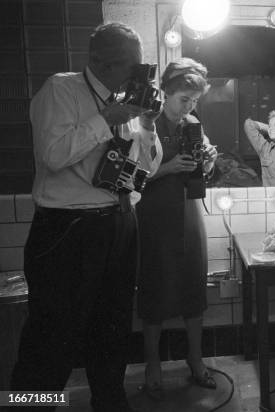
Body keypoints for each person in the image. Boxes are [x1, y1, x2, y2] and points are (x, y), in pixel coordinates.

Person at [11, 23, 162, 412]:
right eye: (131, 64)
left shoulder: (129, 98)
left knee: (112, 328)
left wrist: (145, 126)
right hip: (68, 228)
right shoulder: (61, 90)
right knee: (50, 336)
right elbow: (53, 155)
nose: (138, 72)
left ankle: (110, 402)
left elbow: (147, 167)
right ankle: (28, 407)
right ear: (98, 61)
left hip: (119, 221)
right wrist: (106, 118)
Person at [135, 57, 218, 399]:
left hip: (187, 212)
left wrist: (209, 161)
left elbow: (202, 170)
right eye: (184, 99)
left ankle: (195, 359)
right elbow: (132, 175)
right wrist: (167, 168)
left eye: (195, 101)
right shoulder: (146, 123)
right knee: (154, 284)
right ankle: (152, 363)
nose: (189, 107)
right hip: (154, 214)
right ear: (165, 94)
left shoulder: (193, 123)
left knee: (193, 285)